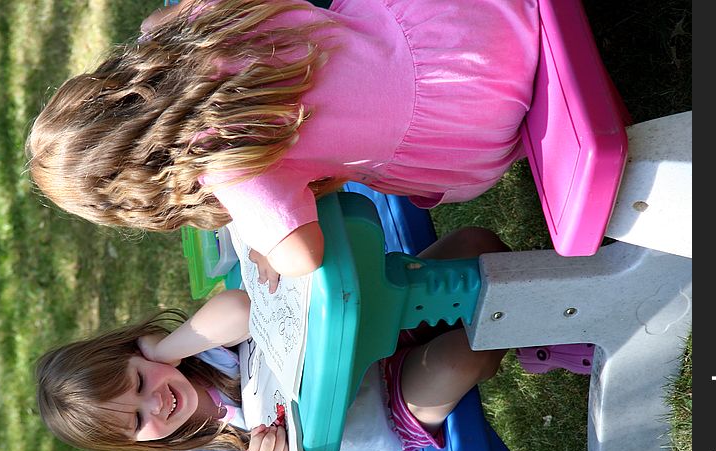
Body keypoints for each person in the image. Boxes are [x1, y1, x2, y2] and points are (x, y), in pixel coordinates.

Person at [35, 228, 508, 451]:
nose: (155, 402)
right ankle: (543, 331)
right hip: (383, 408)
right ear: (131, 445)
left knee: (476, 243)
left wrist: (167, 350)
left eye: (139, 381)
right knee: (463, 355)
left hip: (364, 330)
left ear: (140, 354)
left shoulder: (196, 353)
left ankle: (539, 301)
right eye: (137, 420)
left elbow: (243, 310)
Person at [26, 0, 538, 291]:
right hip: (465, 17)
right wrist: (156, 42)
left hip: (476, 114)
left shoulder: (229, 168)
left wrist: (261, 245)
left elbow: (302, 256)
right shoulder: (213, 26)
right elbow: (157, 23)